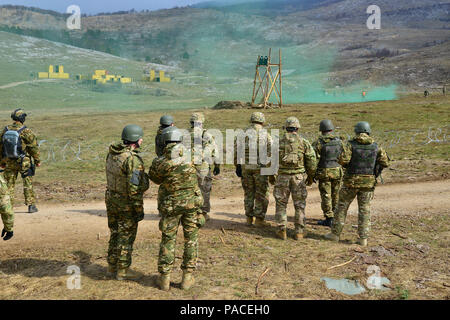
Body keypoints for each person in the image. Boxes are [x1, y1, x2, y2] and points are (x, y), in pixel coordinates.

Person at [148, 126, 204, 291]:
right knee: (191, 240)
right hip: (192, 205)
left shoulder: (160, 161)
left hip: (170, 206)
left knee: (168, 240)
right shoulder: (192, 155)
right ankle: (187, 278)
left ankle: (164, 279)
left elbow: (155, 179)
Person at [325, 121, 390, 246]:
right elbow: (386, 162)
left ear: (356, 131)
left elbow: (343, 160)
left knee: (341, 208)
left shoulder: (350, 145)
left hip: (351, 182)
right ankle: (363, 239)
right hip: (368, 183)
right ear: (368, 131)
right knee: (365, 210)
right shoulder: (376, 146)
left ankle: (335, 235)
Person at [105, 124, 149, 280]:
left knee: (115, 232)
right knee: (126, 235)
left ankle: (111, 266)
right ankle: (123, 270)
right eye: (140, 139)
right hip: (125, 203)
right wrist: (139, 209)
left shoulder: (112, 153)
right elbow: (134, 188)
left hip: (111, 199)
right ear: (135, 140)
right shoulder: (132, 159)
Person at [271, 117, 316, 240]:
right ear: (297, 128)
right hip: (298, 177)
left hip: (282, 177)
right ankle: (299, 232)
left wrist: (271, 176)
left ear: (286, 128)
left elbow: (269, 161)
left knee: (281, 204)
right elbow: (312, 161)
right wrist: (311, 176)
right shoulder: (304, 142)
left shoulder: (278, 142)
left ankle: (281, 230)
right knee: (300, 205)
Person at [235, 112, 273, 227]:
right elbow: (271, 152)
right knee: (261, 194)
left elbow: (236, 151)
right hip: (260, 169)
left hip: (246, 168)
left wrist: (237, 166)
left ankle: (249, 218)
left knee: (248, 193)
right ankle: (259, 220)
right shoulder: (265, 135)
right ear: (262, 121)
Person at [0, 109, 40, 213]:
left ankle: (7, 206)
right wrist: (37, 160)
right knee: (27, 183)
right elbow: (33, 147)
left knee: (9, 185)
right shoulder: (26, 131)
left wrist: (2, 162)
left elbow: (1, 147)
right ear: (22, 118)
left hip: (9, 161)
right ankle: (31, 206)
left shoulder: (5, 130)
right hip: (24, 161)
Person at [312, 120, 344, 227]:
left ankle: (329, 218)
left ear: (321, 130)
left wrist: (312, 174)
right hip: (337, 172)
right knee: (336, 194)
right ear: (331, 129)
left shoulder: (318, 143)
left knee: (326, 195)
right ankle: (336, 216)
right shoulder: (339, 142)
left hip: (324, 172)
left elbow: (313, 160)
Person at [189, 113, 220, 222]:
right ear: (201, 123)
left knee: (189, 190)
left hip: (187, 167)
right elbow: (214, 151)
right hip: (203, 167)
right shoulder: (206, 135)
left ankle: (190, 213)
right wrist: (217, 165)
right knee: (204, 190)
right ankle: (203, 213)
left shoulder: (184, 135)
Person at [0, 174, 14, 241]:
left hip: (2, 193)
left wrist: (8, 228)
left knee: (7, 211)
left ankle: (8, 230)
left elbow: (6, 210)